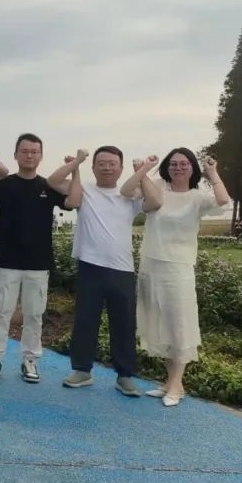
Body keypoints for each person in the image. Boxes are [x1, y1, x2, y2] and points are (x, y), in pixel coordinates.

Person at [51, 147, 160, 396]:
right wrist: (76, 163)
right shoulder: (84, 189)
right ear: (93, 167)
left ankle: (125, 375)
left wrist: (143, 170)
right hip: (90, 265)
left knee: (124, 323)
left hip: (122, 268)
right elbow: (54, 181)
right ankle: (82, 371)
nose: (107, 168)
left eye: (112, 163)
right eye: (101, 163)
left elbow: (155, 202)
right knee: (85, 320)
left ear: (121, 168)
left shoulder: (130, 194)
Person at [136, 149, 229, 407]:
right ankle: (170, 382)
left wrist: (212, 173)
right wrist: (143, 169)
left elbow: (223, 200)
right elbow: (130, 192)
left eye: (184, 163)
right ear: (167, 167)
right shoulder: (158, 188)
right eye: (174, 164)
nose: (178, 168)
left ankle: (176, 384)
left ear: (192, 168)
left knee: (178, 325)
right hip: (151, 264)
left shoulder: (198, 197)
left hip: (178, 268)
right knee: (158, 325)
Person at [0, 133, 69, 384]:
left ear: (41, 155)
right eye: (25, 151)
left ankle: (30, 360)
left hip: (39, 263)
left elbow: (73, 201)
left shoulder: (48, 186)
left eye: (34, 151)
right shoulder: (6, 184)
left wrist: (74, 166)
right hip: (8, 261)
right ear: (16, 154)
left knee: (34, 315)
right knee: (1, 312)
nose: (29, 155)